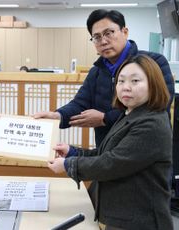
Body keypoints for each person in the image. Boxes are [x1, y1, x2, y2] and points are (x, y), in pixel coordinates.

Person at [48, 54, 173, 230]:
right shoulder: (129, 114)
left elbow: (112, 163)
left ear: (153, 84)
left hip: (140, 221)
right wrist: (71, 151)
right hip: (120, 214)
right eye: (121, 81)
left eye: (135, 81)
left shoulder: (152, 123)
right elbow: (105, 153)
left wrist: (68, 164)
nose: (126, 87)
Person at [33, 9, 174, 148]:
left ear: (125, 32)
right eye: (97, 37)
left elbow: (157, 105)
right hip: (107, 151)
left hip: (145, 148)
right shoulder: (97, 72)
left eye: (109, 33)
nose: (104, 41)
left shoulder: (154, 63)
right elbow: (80, 104)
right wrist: (58, 116)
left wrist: (105, 119)